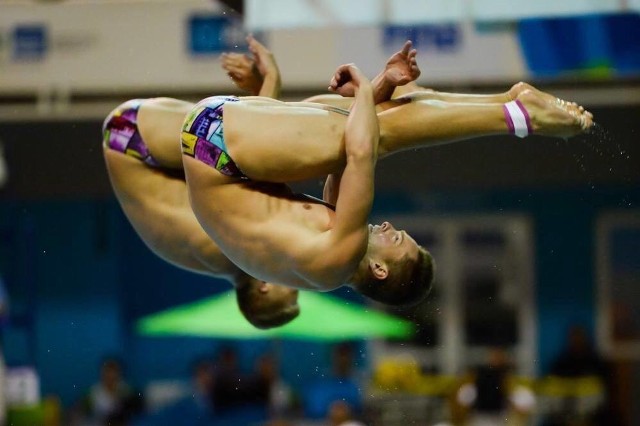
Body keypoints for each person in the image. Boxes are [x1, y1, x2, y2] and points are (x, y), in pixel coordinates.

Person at [179, 39, 593, 307]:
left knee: (381, 134)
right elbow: (342, 156)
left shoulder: (338, 257)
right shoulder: (328, 262)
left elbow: (361, 151)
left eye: (397, 239)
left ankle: (518, 115)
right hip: (215, 144)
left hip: (219, 146)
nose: (391, 225)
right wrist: (383, 85)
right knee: (392, 110)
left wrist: (363, 85)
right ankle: (507, 101)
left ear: (380, 269)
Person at [102, 73, 300, 328]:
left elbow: (250, 154)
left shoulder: (231, 248)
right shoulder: (221, 261)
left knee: (252, 140)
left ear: (264, 285)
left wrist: (272, 81)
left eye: (292, 287)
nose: (298, 276)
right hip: (127, 138)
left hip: (132, 138)